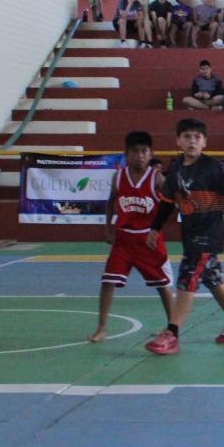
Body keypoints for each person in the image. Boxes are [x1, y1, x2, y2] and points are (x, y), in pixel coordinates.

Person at [142, 117, 224, 355]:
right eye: (187, 136)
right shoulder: (176, 169)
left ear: (204, 142)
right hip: (191, 233)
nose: (192, 141)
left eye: (197, 137)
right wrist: (155, 228)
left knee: (188, 275)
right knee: (211, 276)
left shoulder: (213, 168)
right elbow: (167, 204)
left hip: (208, 234)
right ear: (178, 140)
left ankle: (172, 333)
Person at [89, 131, 174, 342]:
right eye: (135, 151)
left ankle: (173, 328)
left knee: (162, 285)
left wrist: (157, 229)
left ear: (150, 153)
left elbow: (170, 204)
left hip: (148, 239)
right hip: (124, 239)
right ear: (127, 154)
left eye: (144, 151)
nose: (140, 155)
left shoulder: (157, 178)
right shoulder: (119, 176)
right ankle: (101, 327)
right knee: (107, 281)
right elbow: (110, 202)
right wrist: (108, 228)